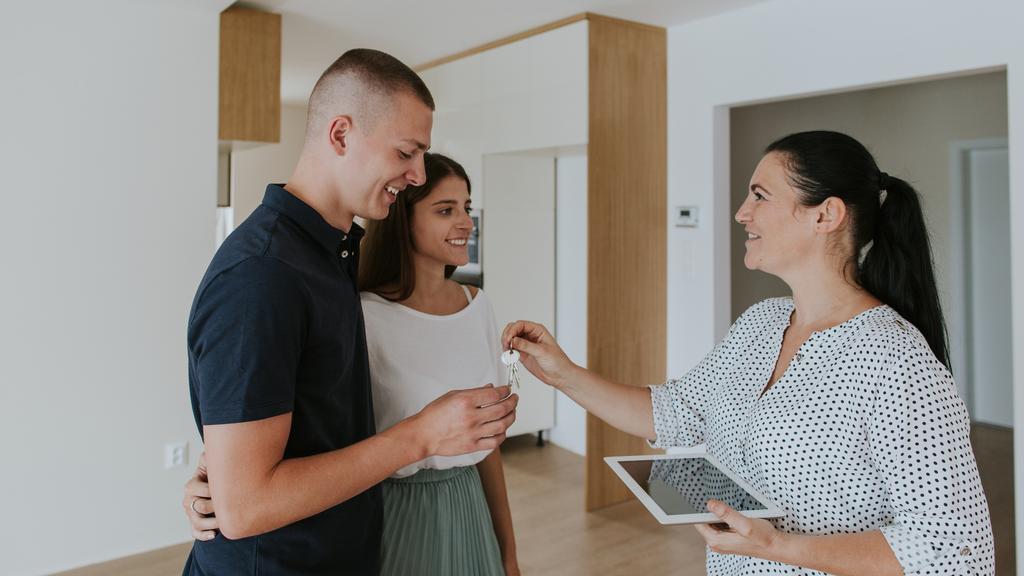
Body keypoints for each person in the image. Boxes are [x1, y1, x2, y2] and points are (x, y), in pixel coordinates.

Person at [502, 131, 994, 575]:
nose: (741, 212)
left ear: (825, 215)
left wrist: (779, 546)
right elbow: (677, 413)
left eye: (759, 195)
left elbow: (956, 550)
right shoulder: (761, 322)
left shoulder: (894, 359)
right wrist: (562, 373)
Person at [183, 49, 517, 576]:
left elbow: (304, 429)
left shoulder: (333, 254)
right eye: (407, 153)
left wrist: (219, 471)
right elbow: (246, 508)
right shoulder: (262, 275)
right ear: (340, 135)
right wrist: (421, 435)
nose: (416, 175)